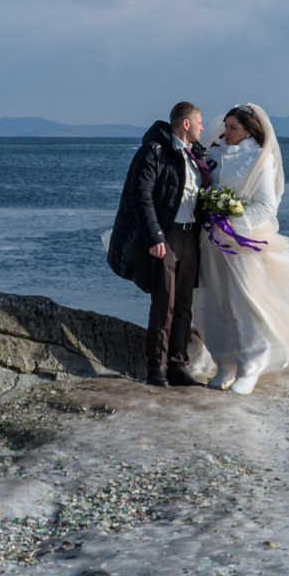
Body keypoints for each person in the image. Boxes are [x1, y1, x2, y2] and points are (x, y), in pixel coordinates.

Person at [196, 102, 289, 393]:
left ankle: (249, 366)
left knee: (243, 304)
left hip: (242, 242)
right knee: (212, 303)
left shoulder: (258, 159)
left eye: (233, 128)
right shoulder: (212, 153)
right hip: (209, 241)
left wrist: (234, 224)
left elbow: (266, 203)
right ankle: (223, 363)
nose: (226, 132)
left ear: (249, 130)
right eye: (226, 126)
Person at [107, 100, 210, 387]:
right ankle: (155, 368)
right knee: (163, 302)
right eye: (200, 122)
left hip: (190, 236)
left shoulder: (195, 155)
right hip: (166, 235)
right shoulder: (153, 151)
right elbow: (141, 196)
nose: (204, 127)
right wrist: (155, 237)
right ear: (186, 124)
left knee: (184, 305)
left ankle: (177, 367)